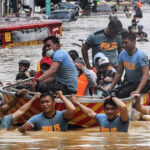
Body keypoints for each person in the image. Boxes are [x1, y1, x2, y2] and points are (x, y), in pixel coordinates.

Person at [108, 31, 150, 98]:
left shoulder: (141, 56)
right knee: (115, 91)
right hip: (131, 82)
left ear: (133, 42)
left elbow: (146, 75)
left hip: (144, 83)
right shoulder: (122, 54)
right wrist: (110, 88)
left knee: (122, 93)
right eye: (122, 43)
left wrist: (137, 91)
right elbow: (119, 73)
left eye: (126, 43)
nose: (124, 45)